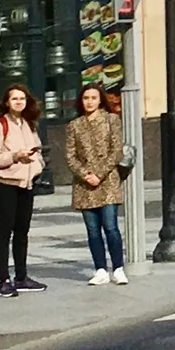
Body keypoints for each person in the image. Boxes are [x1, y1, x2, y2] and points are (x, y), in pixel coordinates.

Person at [0, 84, 48, 295]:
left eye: (22, 99)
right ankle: (4, 280)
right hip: (5, 185)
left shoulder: (28, 124)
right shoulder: (0, 126)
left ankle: (21, 276)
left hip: (26, 184)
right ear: (6, 102)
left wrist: (37, 165)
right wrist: (15, 156)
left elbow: (37, 150)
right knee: (4, 232)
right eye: (14, 99)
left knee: (22, 232)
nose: (19, 102)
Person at [64, 87, 126, 285]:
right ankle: (100, 269)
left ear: (100, 100)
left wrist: (99, 174)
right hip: (85, 185)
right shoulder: (74, 125)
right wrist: (85, 174)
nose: (89, 102)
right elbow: (70, 155)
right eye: (86, 98)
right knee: (92, 230)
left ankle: (118, 268)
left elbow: (116, 151)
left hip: (107, 182)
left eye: (93, 98)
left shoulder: (111, 120)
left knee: (111, 227)